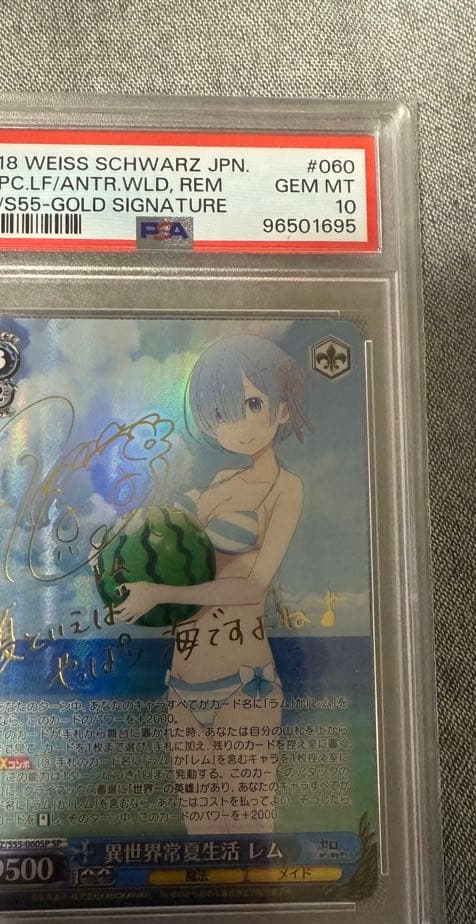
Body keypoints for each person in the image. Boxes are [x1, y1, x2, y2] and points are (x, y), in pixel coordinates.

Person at [116, 334, 309, 834]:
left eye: (252, 405)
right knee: (202, 838)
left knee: (249, 836)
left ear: (282, 409)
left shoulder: (285, 489)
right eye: (222, 412)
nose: (237, 425)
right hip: (182, 686)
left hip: (244, 684)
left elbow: (252, 586)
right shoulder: (221, 481)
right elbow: (177, 556)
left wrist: (160, 594)